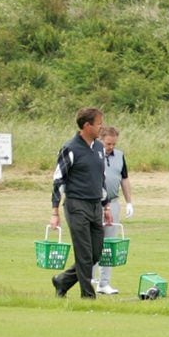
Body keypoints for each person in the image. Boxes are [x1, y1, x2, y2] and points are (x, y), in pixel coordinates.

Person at [50, 107, 112, 298]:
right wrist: (54, 211)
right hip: (76, 205)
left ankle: (63, 281)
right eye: (98, 123)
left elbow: (101, 178)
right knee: (84, 253)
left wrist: (106, 205)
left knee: (95, 253)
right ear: (87, 126)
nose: (101, 127)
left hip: (95, 205)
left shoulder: (100, 148)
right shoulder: (70, 148)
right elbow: (58, 179)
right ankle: (87, 296)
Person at [93, 126, 134, 295]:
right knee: (93, 242)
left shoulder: (119, 155)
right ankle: (89, 280)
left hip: (114, 202)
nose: (110, 147)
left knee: (109, 244)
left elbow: (124, 179)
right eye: (108, 143)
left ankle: (104, 283)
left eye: (113, 144)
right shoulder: (93, 154)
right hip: (95, 203)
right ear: (100, 139)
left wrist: (129, 202)